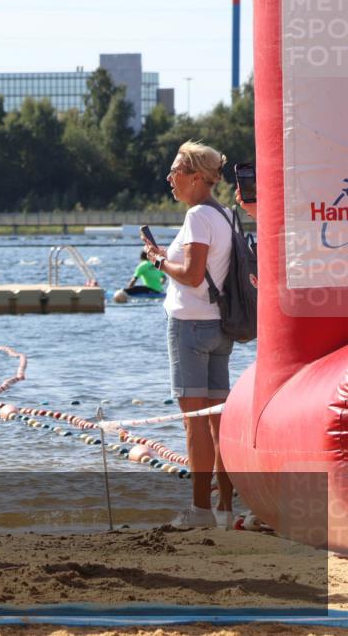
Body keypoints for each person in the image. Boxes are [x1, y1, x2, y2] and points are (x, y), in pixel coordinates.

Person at [144, 140, 235, 529]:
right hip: (220, 327)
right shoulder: (226, 215)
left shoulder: (198, 215)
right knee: (219, 422)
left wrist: (160, 260)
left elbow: (194, 276)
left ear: (197, 177)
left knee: (194, 422)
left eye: (176, 171)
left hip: (190, 327)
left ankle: (199, 512)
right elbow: (209, 269)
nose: (169, 178)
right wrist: (172, 257)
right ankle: (226, 509)